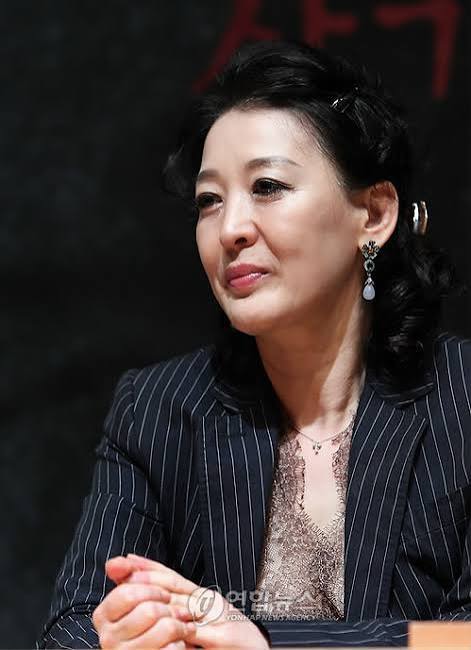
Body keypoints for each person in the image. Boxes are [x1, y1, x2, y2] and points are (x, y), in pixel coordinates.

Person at [38, 40, 471, 649]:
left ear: (374, 214)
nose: (231, 229)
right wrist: (128, 635)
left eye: (267, 186)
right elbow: (71, 627)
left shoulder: (461, 398)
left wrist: (262, 643)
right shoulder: (158, 409)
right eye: (209, 201)